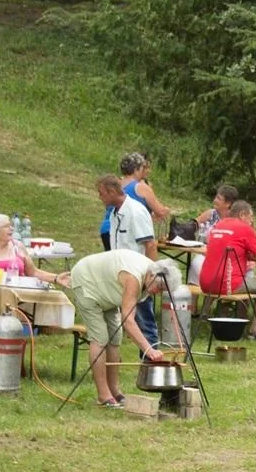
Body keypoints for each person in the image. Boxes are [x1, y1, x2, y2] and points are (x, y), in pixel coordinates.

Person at [67, 250, 178, 409]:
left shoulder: (150, 274)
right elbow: (128, 321)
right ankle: (103, 396)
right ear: (152, 276)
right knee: (100, 337)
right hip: (87, 282)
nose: (158, 293)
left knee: (115, 337)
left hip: (107, 290)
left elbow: (127, 317)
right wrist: (149, 350)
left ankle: (114, 391)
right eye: (159, 288)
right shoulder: (133, 277)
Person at [98, 174, 159, 344]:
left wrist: (152, 276)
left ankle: (151, 364)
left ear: (111, 191)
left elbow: (150, 245)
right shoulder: (114, 213)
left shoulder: (136, 211)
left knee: (144, 320)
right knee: (120, 319)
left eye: (101, 193)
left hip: (137, 276)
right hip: (119, 274)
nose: (100, 197)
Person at [198, 200, 256, 336]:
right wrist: (249, 254)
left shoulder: (219, 224)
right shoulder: (244, 228)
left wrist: (242, 253)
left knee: (226, 278)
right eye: (251, 216)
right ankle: (254, 330)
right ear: (243, 215)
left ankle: (206, 314)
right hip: (228, 284)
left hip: (205, 282)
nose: (252, 220)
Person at [0, 214, 71, 286]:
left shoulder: (18, 247)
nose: (12, 229)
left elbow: (33, 272)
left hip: (19, 298)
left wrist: (56, 278)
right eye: (7, 226)